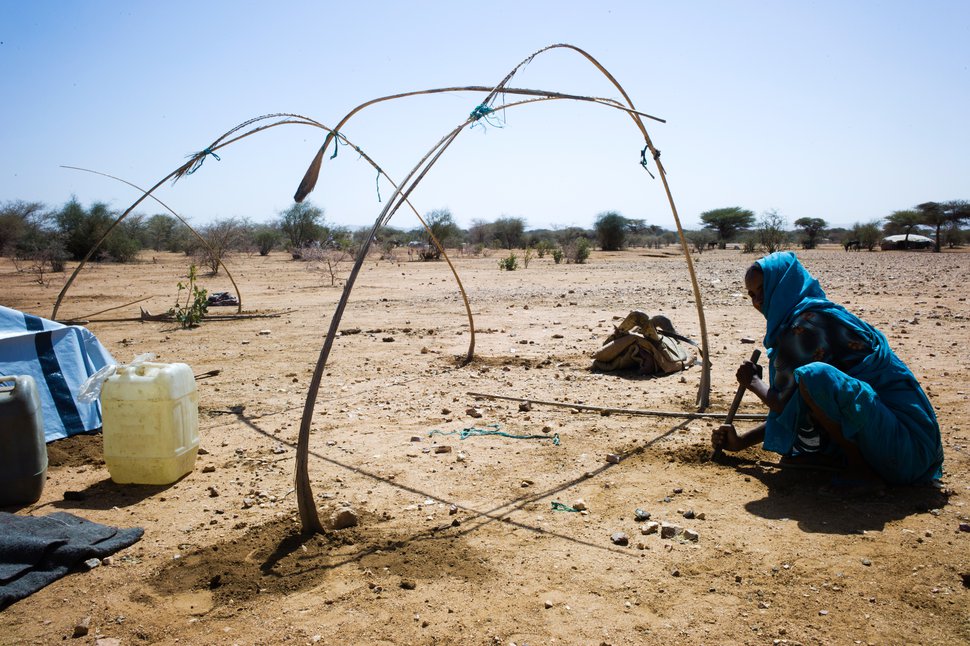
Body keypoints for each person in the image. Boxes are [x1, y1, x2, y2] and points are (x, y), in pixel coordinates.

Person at [711, 251, 943, 495]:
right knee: (812, 383)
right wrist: (742, 443)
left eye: (763, 290)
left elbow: (782, 403)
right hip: (914, 450)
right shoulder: (814, 313)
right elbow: (799, 403)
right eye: (751, 294)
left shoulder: (806, 325)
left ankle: (862, 472)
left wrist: (754, 382)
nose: (757, 301)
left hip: (905, 448)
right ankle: (838, 458)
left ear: (783, 285)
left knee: (815, 377)